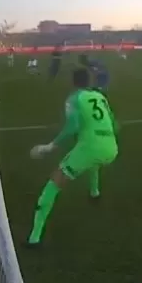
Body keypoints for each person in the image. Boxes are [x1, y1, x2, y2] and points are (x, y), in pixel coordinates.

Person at [26, 68, 119, 247]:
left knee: (54, 184)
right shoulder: (100, 97)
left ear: (73, 82)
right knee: (94, 162)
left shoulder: (73, 99)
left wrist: (50, 146)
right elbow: (114, 124)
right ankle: (94, 194)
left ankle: (34, 238)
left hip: (91, 148)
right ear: (89, 81)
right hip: (111, 148)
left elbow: (73, 126)